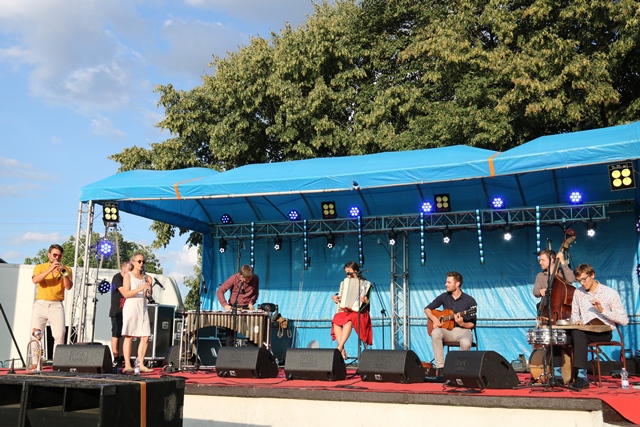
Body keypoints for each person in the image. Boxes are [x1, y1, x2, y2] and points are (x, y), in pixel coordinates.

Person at [569, 263, 628, 390]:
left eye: (584, 279)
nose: (582, 283)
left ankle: (581, 376)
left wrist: (602, 311)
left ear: (592, 275)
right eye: (579, 281)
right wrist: (577, 320)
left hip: (603, 332)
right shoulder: (578, 292)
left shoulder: (610, 293)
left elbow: (624, 320)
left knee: (578, 334)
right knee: (559, 335)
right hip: (584, 330)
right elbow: (574, 314)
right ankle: (558, 374)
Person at [424, 271, 477, 379]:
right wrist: (435, 319)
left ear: (457, 284)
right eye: (446, 282)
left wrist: (462, 323)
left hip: (463, 331)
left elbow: (472, 324)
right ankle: (441, 369)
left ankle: (459, 371)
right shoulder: (444, 297)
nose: (445, 284)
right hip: (448, 331)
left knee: (466, 343)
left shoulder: (469, 301)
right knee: (436, 332)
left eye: (448, 282)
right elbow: (427, 309)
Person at [30, 244, 73, 363]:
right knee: (36, 334)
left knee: (60, 334)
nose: (57, 258)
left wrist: (63, 273)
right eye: (54, 255)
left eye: (59, 256)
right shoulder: (40, 267)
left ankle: (57, 362)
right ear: (49, 255)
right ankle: (35, 362)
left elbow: (68, 287)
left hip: (56, 305)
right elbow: (35, 280)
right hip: (41, 304)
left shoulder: (66, 269)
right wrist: (50, 269)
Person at [331, 261, 372, 359]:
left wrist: (365, 300)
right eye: (346, 272)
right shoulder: (345, 283)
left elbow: (367, 301)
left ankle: (339, 347)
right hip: (348, 311)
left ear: (355, 271)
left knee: (349, 319)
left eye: (349, 271)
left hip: (360, 312)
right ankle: (342, 349)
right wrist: (334, 297)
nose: (347, 273)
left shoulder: (365, 284)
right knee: (336, 318)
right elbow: (340, 295)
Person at [121, 253, 153, 373]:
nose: (141, 264)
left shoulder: (145, 277)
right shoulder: (128, 275)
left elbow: (148, 294)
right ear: (133, 262)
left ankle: (141, 363)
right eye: (139, 261)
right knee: (129, 336)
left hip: (142, 307)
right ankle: (127, 364)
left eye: (143, 262)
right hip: (131, 307)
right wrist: (140, 288)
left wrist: (150, 285)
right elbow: (126, 294)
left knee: (145, 336)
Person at [109, 261, 129, 368]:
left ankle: (124, 357)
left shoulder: (130, 278)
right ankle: (116, 357)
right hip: (117, 310)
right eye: (128, 268)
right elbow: (124, 292)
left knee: (126, 334)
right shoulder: (117, 277)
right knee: (116, 333)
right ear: (123, 268)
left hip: (127, 310)